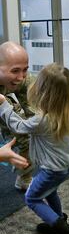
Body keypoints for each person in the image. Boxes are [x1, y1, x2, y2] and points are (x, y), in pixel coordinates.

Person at [0, 63, 69, 234]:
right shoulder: (64, 112)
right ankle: (58, 219)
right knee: (50, 192)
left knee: (32, 198)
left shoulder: (42, 120)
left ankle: (61, 228)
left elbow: (17, 126)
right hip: (63, 167)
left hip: (53, 170)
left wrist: (4, 104)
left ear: (43, 91)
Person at [0, 41, 34, 190]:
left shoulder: (22, 78)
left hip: (2, 101)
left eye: (24, 69)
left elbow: (36, 107)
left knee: (25, 133)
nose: (21, 77)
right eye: (15, 71)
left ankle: (24, 177)